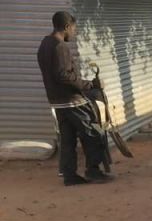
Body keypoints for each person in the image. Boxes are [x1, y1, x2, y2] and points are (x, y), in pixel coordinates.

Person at [37, 11, 111, 186]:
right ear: (67, 27)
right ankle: (93, 171)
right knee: (92, 133)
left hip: (57, 101)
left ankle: (69, 175)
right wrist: (88, 85)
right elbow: (63, 75)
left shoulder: (44, 44)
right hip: (71, 100)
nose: (74, 32)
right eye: (73, 28)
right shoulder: (59, 46)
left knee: (68, 138)